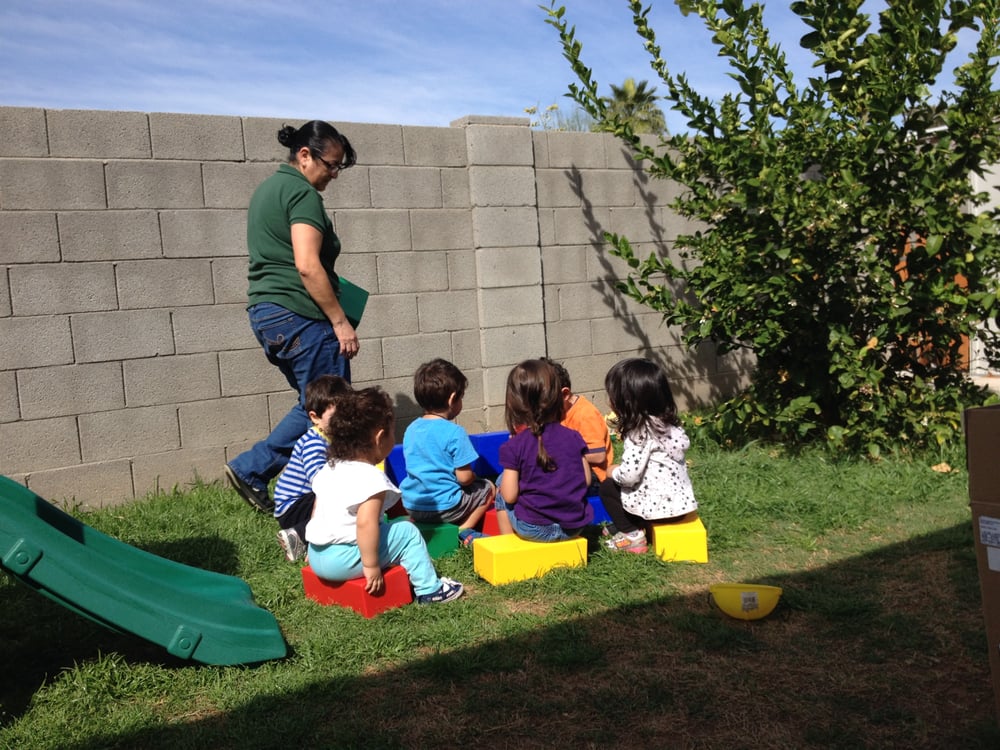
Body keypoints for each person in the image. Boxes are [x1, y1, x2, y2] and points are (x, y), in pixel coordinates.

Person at [224, 120, 359, 514]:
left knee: (313, 404)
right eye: (330, 165)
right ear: (304, 155)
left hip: (267, 313)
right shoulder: (302, 194)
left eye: (338, 167)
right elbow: (307, 266)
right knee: (330, 409)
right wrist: (339, 320)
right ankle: (256, 469)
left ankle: (268, 473)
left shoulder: (268, 189)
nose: (333, 174)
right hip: (301, 315)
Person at [305, 386, 464, 605]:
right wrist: (370, 566)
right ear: (380, 437)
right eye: (392, 431)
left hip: (316, 555)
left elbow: (318, 510)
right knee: (407, 532)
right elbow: (365, 522)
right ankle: (430, 589)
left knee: (397, 523)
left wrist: (313, 543)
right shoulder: (371, 478)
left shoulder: (329, 468)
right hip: (343, 561)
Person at [598, 358, 698, 554]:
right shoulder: (668, 425)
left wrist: (613, 471)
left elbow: (630, 477)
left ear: (625, 402)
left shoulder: (639, 433)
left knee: (608, 487)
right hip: (681, 507)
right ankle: (628, 523)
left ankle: (632, 536)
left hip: (658, 511)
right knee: (646, 486)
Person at [495, 359, 593, 541]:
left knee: (502, 484)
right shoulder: (573, 436)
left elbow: (509, 497)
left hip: (533, 529)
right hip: (574, 528)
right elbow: (586, 480)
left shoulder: (514, 445)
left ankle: (507, 542)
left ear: (514, 403)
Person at [400, 359, 496, 546]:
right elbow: (464, 478)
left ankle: (418, 525)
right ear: (452, 399)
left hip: (412, 505)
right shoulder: (455, 432)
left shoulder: (411, 429)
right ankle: (464, 529)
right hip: (446, 508)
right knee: (488, 488)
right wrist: (475, 477)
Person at [271, 374, 352, 562]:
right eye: (336, 417)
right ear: (315, 417)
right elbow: (321, 483)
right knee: (337, 504)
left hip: (307, 499)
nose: (344, 422)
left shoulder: (335, 438)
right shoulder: (313, 443)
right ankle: (299, 536)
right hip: (293, 506)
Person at [543, 357, 612, 489]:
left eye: (545, 402)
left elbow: (599, 456)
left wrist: (558, 454)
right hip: (570, 468)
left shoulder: (584, 414)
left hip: (594, 476)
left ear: (564, 395)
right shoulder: (557, 412)